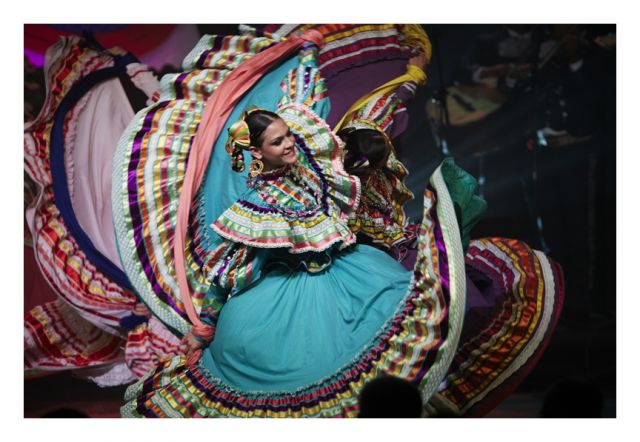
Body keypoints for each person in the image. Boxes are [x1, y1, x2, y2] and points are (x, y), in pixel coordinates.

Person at [121, 54, 467, 417]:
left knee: (402, 304)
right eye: (276, 142)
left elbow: (312, 102)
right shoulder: (257, 206)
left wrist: (307, 55)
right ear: (257, 152)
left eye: (287, 136)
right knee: (308, 365)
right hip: (287, 298)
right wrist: (205, 326)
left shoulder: (310, 166)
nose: (288, 145)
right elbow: (227, 272)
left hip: (348, 274)